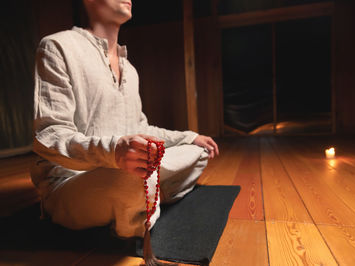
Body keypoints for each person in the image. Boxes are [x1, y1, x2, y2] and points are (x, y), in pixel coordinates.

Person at [31, 0, 219, 238]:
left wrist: (190, 137)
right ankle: (149, 196)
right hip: (75, 181)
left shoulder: (129, 68)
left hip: (127, 170)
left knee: (198, 153)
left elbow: (142, 127)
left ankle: (144, 200)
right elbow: (50, 135)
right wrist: (114, 151)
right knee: (133, 179)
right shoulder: (56, 46)